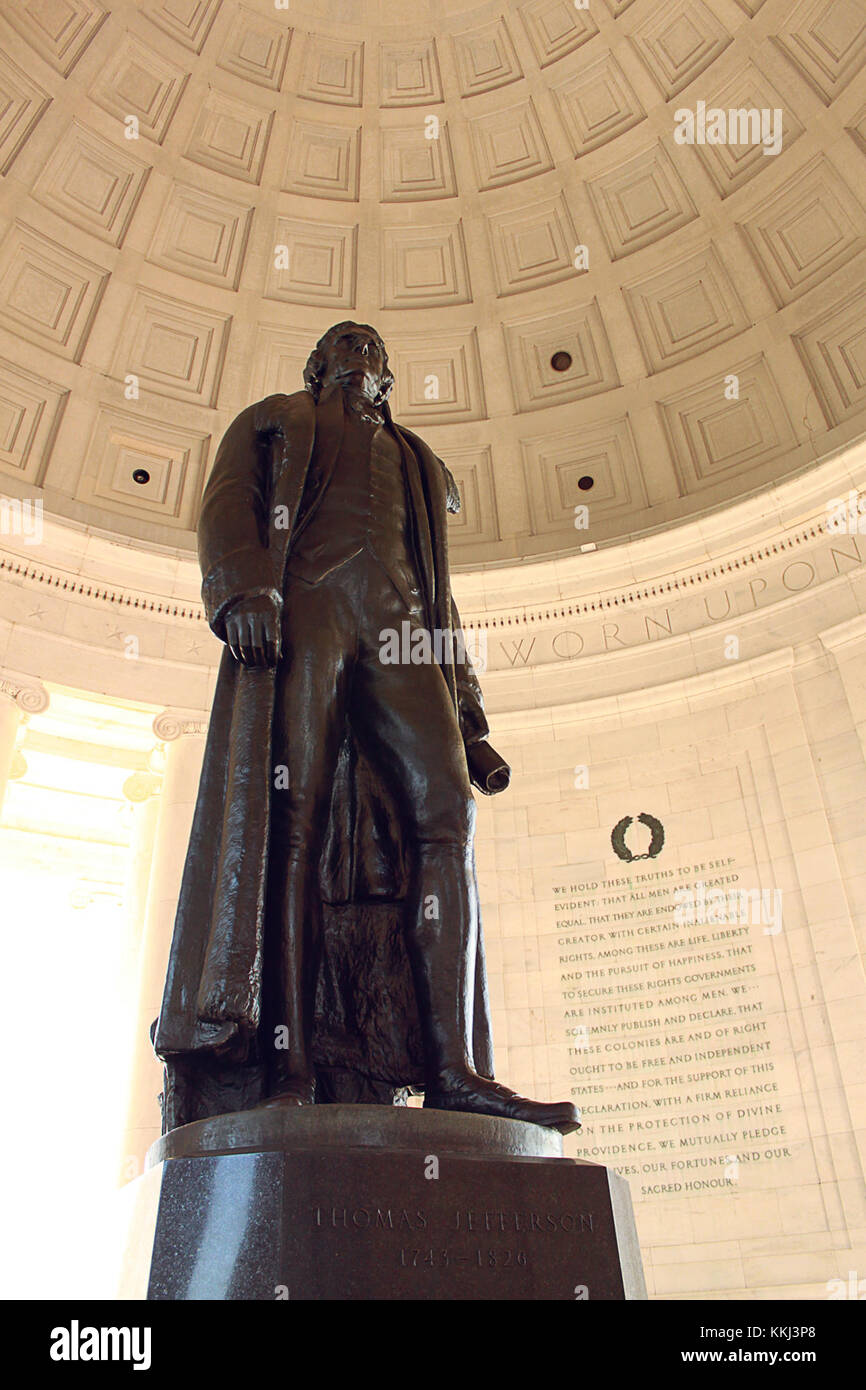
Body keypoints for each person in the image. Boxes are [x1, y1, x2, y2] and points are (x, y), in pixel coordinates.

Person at [154, 321, 579, 1136]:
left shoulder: (416, 459)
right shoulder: (274, 420)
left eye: (375, 347)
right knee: (292, 829)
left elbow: (436, 582)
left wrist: (469, 711)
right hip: (304, 606)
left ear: (389, 374)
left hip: (403, 624)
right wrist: (243, 590)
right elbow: (226, 503)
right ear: (318, 365)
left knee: (447, 816)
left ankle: (455, 1071)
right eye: (346, 344)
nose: (363, 351)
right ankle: (291, 1066)